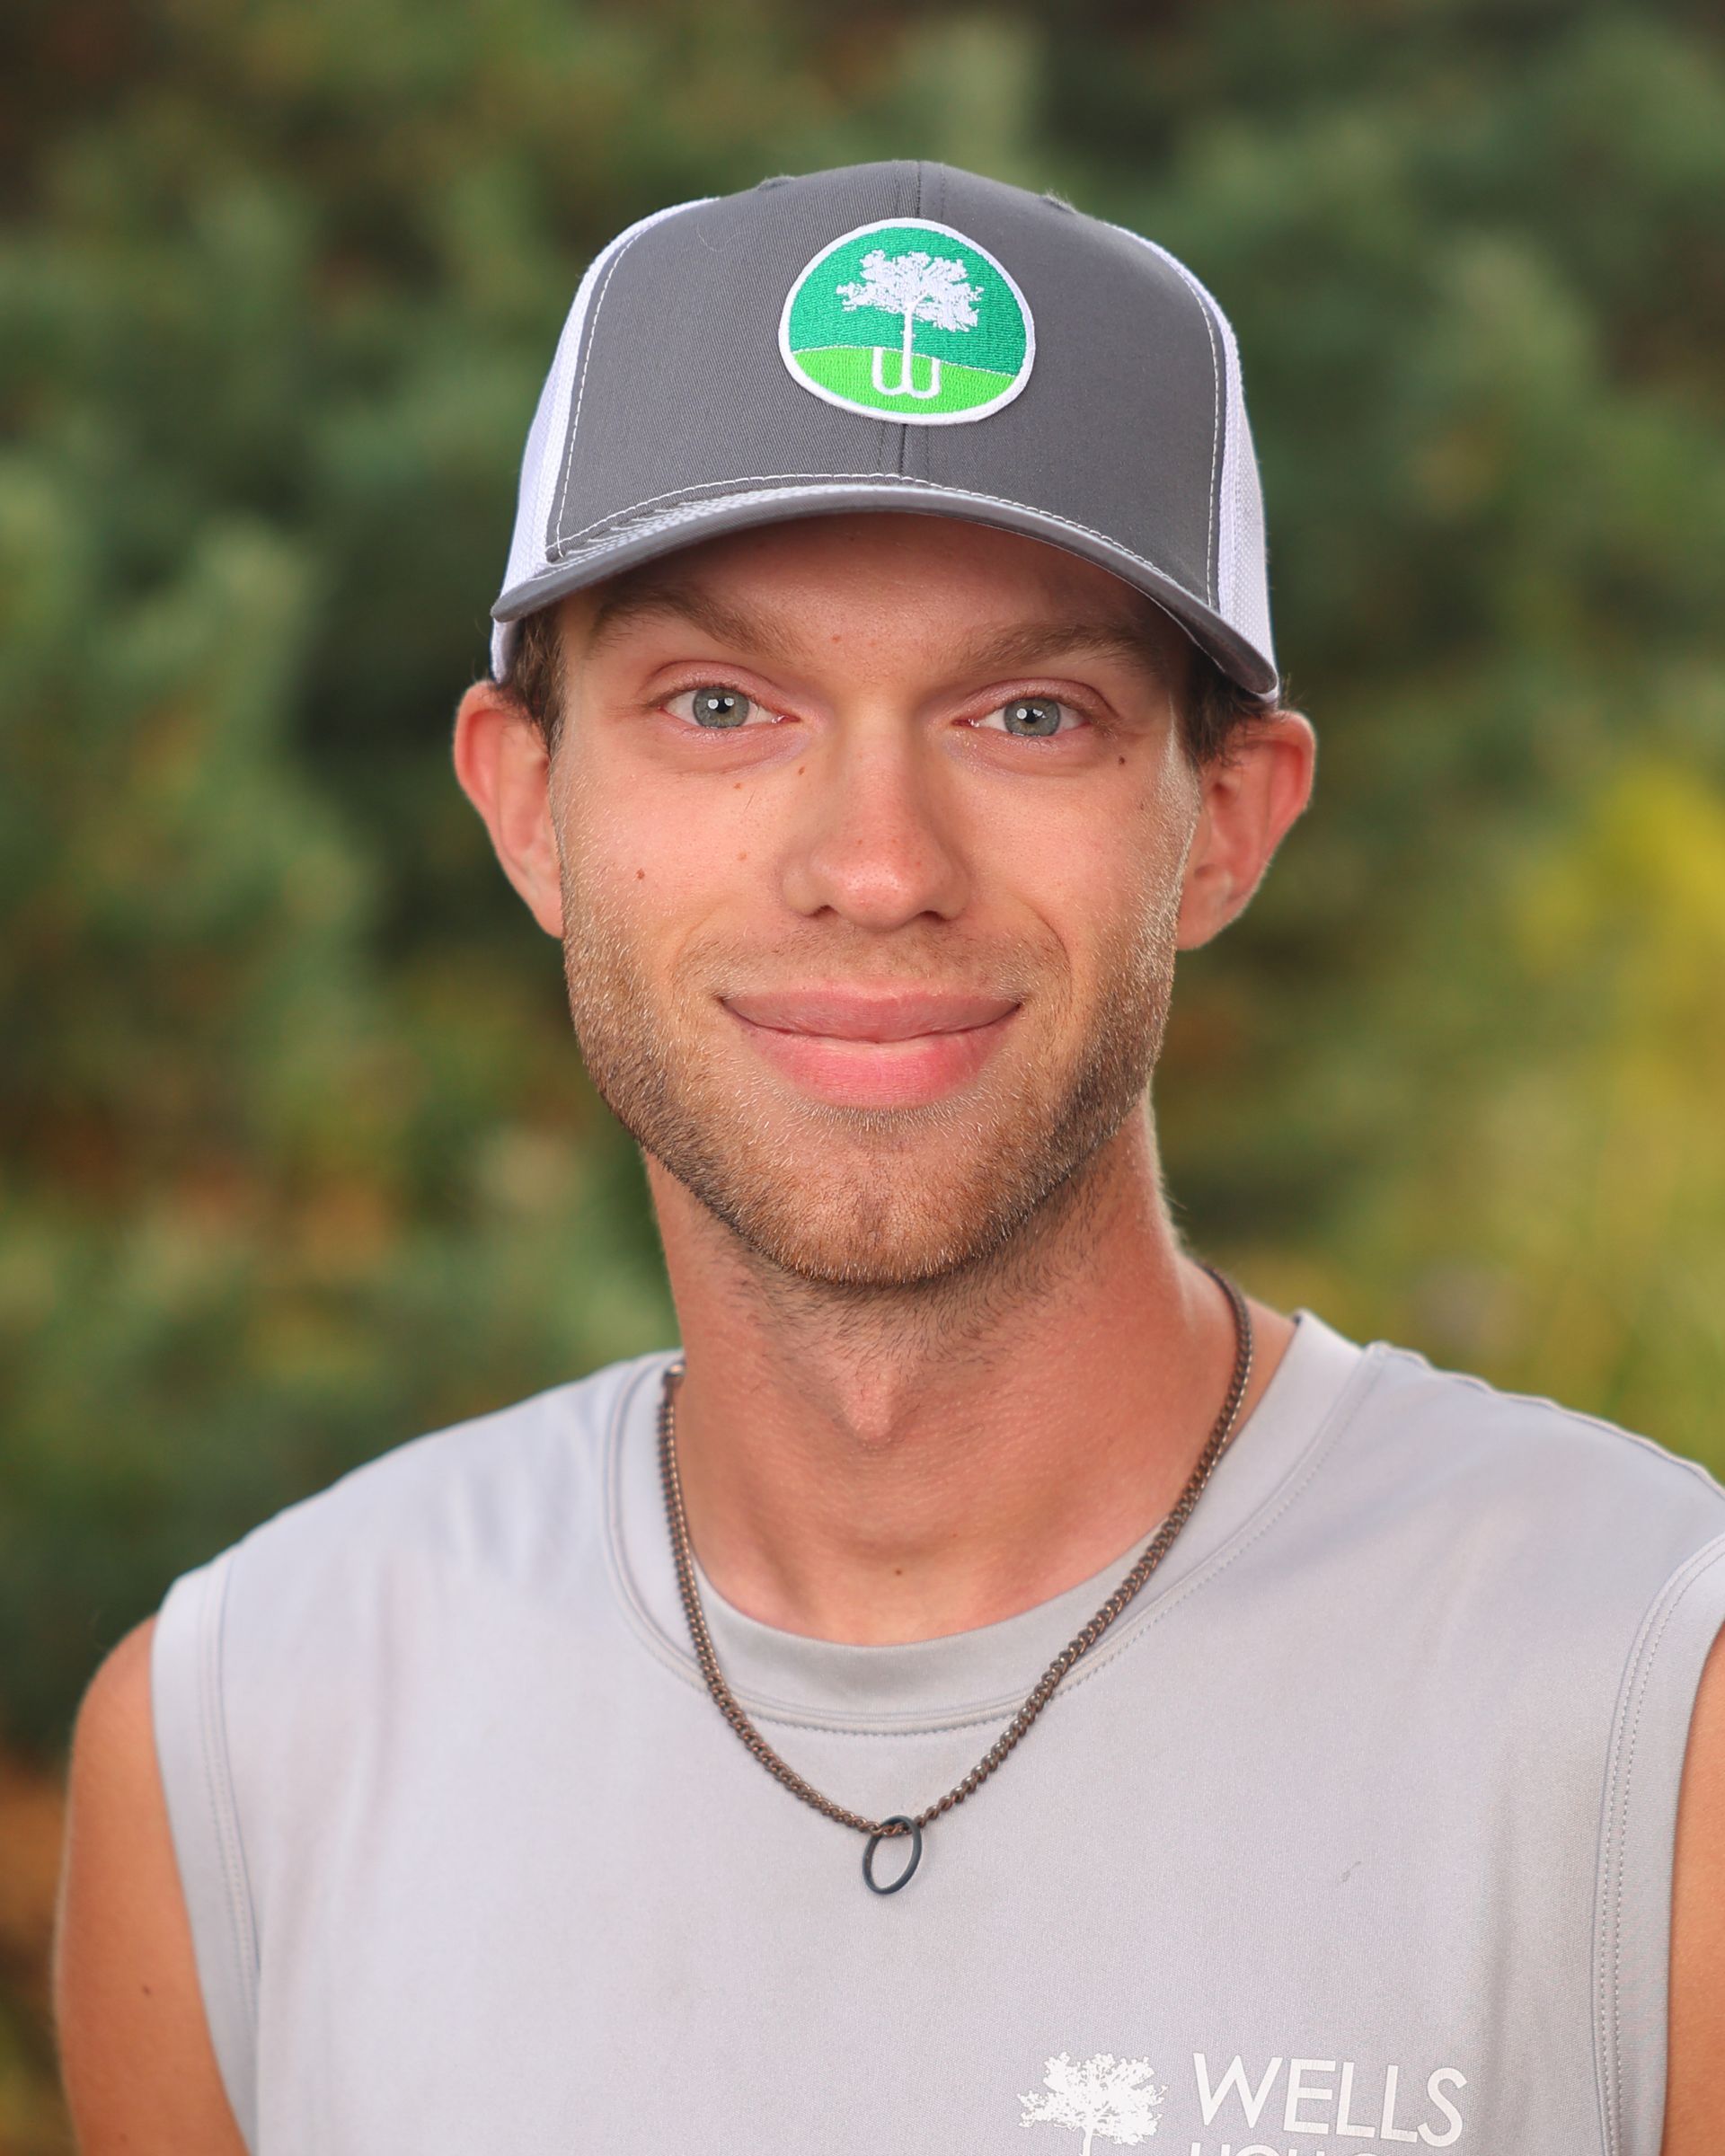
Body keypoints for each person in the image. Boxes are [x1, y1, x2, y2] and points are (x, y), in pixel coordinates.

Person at [52, 161, 1724, 2156]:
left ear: (1227, 822)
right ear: (527, 805)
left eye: (1028, 714)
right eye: (720, 704)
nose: (875, 866)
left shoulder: (1659, 1716)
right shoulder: (238, 1745)